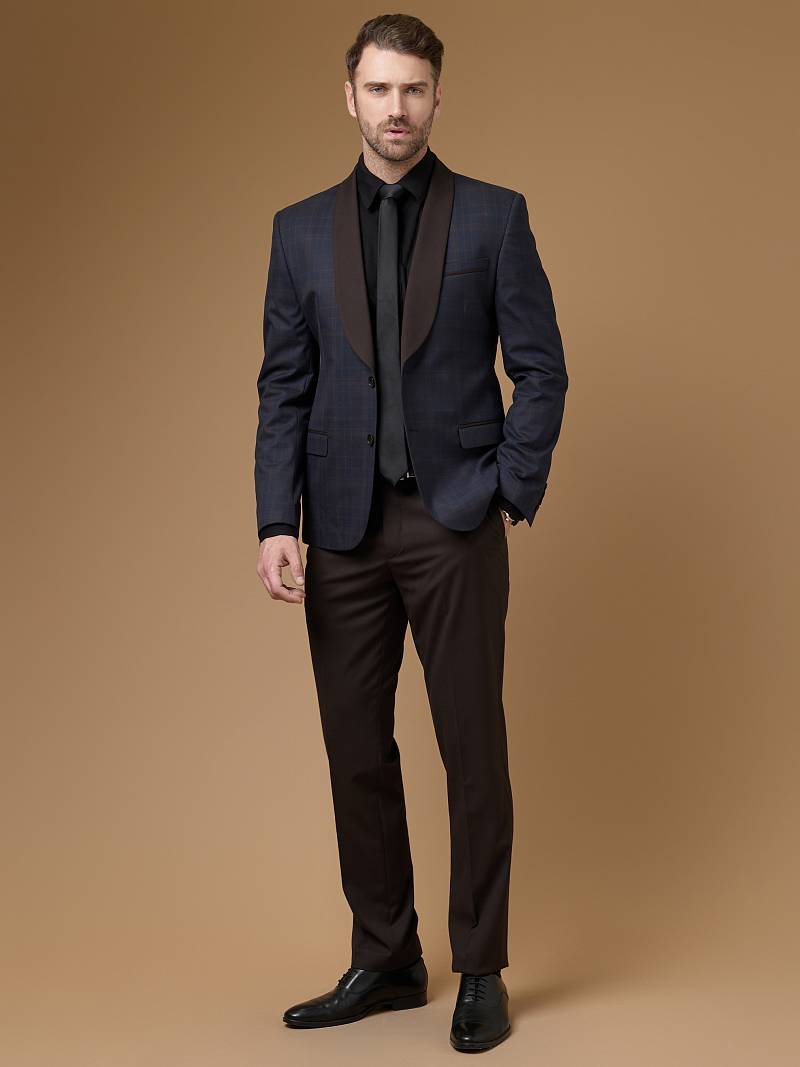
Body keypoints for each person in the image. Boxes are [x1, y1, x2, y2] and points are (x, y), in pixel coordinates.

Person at [254, 13, 568, 1054]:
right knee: (355, 749)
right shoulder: (298, 231)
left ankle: (480, 966)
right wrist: (276, 519)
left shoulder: (494, 218)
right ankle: (387, 957)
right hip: (339, 527)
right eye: (380, 89)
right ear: (349, 96)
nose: (397, 108)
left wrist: (507, 485)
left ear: (437, 98)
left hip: (454, 520)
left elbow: (542, 369)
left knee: (471, 747)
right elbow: (283, 388)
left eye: (414, 90)